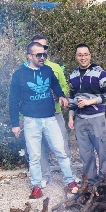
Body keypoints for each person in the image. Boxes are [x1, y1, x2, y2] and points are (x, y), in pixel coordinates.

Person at [9, 41, 78, 199]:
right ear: (29, 56)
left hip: (50, 118)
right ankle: (36, 185)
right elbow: (13, 100)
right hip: (31, 121)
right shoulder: (19, 74)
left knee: (61, 152)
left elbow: (55, 85)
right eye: (38, 55)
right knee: (34, 156)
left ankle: (70, 182)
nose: (42, 57)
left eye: (44, 54)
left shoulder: (47, 70)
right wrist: (15, 124)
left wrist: (61, 95)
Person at [68, 44, 106, 190]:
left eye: (85, 54)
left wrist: (90, 101)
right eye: (80, 55)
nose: (83, 57)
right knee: (85, 152)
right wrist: (71, 117)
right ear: (76, 57)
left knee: (101, 150)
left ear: (90, 56)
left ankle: (105, 179)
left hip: (96, 117)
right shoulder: (73, 76)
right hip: (80, 119)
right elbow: (71, 98)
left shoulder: (101, 74)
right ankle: (90, 182)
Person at [30, 35, 73, 188]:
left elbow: (64, 86)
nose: (43, 52)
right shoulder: (26, 68)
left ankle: (69, 176)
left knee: (62, 144)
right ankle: (44, 176)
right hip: (35, 115)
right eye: (39, 48)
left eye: (45, 48)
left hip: (55, 112)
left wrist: (60, 94)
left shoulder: (54, 68)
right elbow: (22, 96)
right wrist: (21, 118)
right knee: (40, 148)